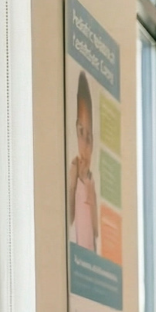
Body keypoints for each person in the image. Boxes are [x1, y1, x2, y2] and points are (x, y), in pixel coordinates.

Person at [67, 72, 98, 252]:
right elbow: (69, 217)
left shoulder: (91, 180)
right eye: (81, 133)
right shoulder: (74, 170)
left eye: (89, 138)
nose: (85, 144)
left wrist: (88, 186)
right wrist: (75, 183)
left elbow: (95, 229)